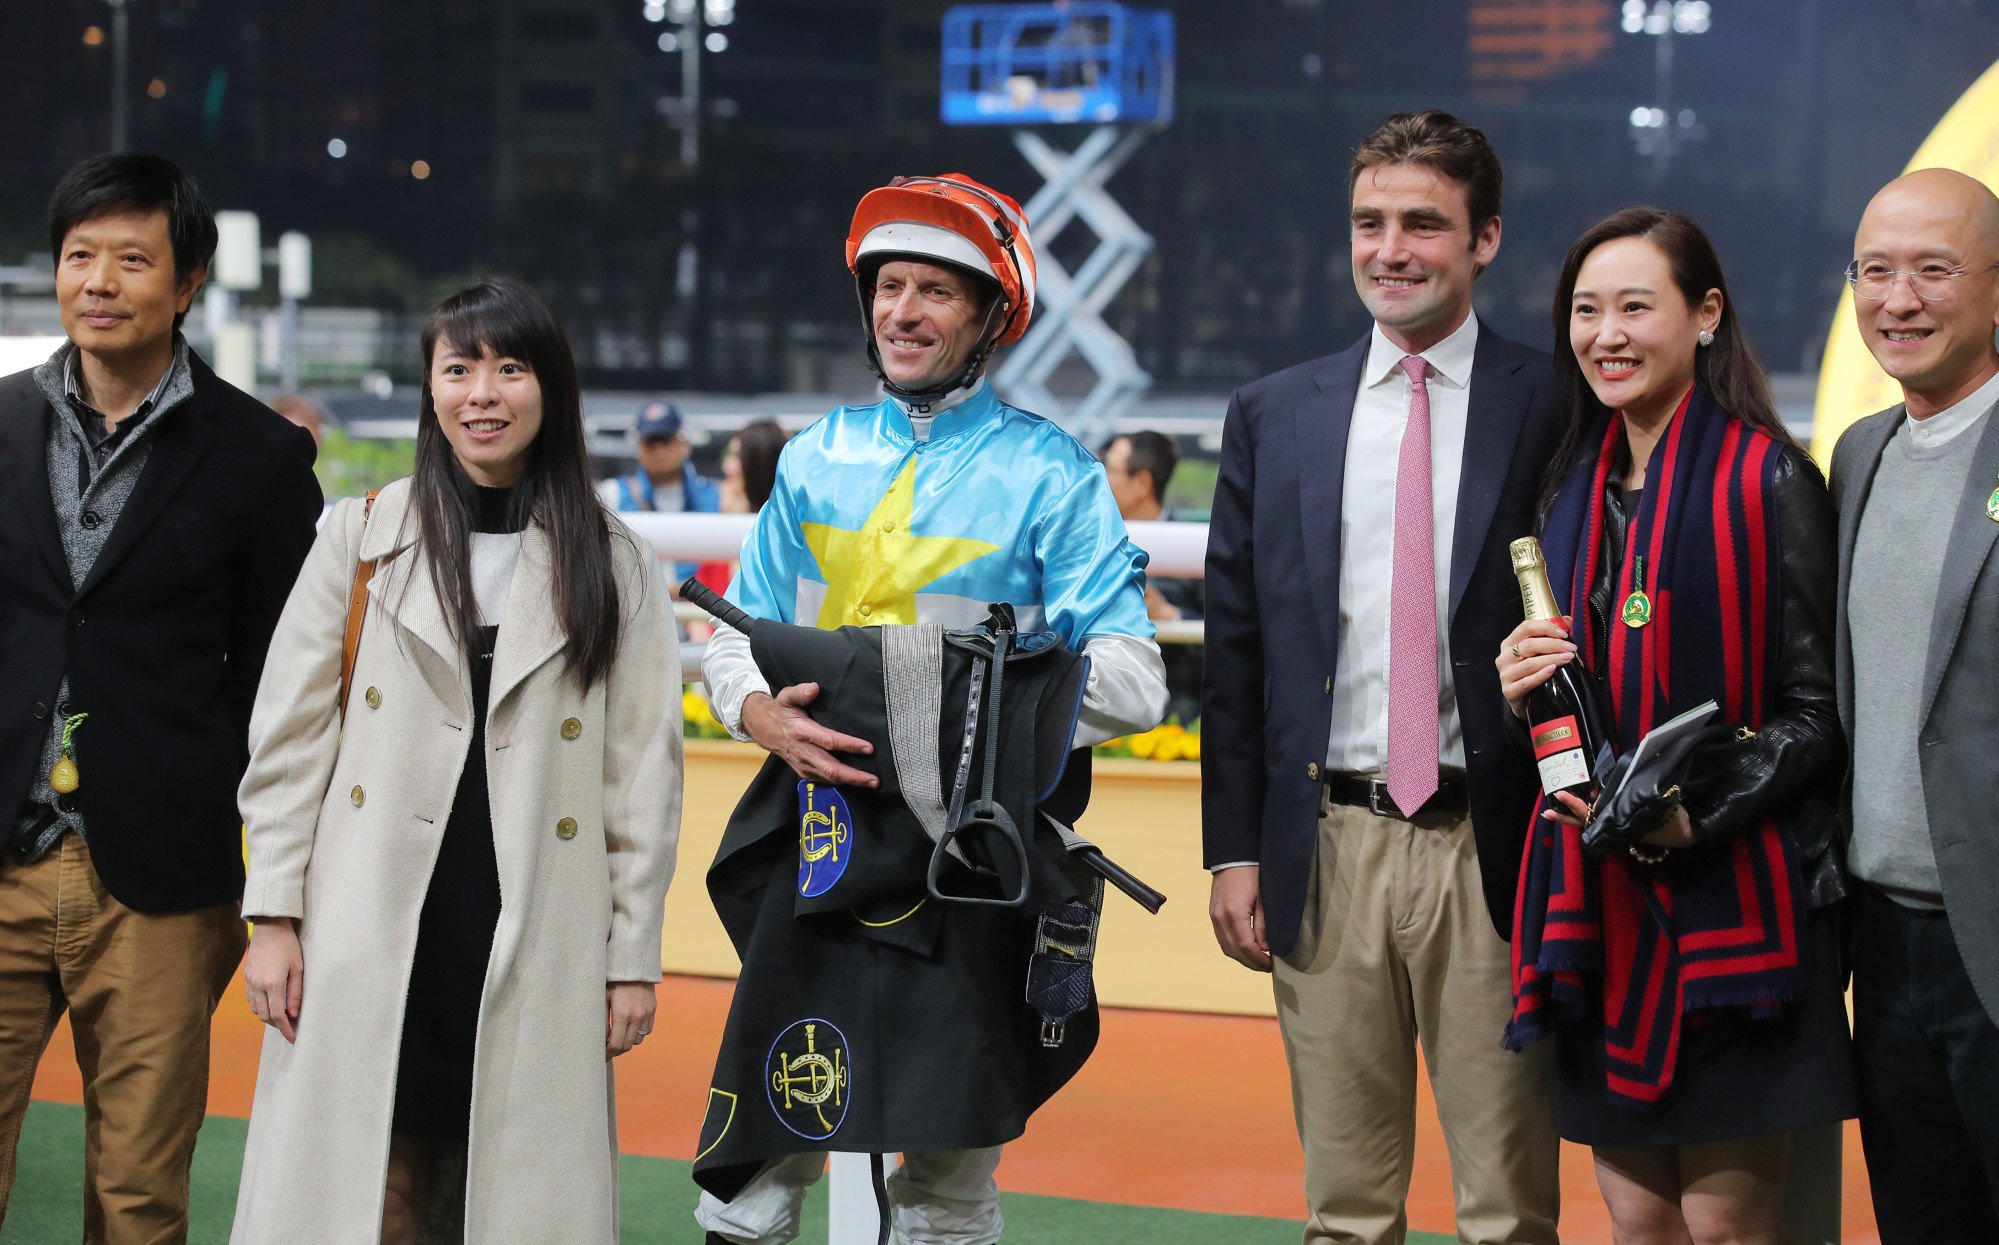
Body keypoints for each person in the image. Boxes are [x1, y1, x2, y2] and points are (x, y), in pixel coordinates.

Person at [694, 172, 1167, 1245]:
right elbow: (732, 634)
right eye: (887, 286)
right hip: (818, 850)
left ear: (993, 316)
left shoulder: (1053, 474)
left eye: (935, 292)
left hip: (973, 867)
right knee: (758, 1181)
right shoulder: (813, 461)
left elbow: (1135, 677)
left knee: (947, 1187)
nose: (902, 312)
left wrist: (957, 719)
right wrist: (758, 714)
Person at [229, 278, 683, 1244]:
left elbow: (640, 779)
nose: (483, 391)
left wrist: (631, 958)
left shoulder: (615, 561)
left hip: (532, 923)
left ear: (549, 389)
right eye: (459, 367)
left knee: (505, 1201)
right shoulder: (360, 537)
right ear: (430, 387)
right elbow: (288, 739)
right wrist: (272, 913)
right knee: (371, 1190)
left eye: (510, 368)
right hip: (374, 920)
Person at [1202, 110, 1563, 1245]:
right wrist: (1234, 847)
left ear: (1484, 238)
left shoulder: (1555, 403)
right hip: (1327, 844)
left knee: (1506, 1211)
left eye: (1422, 223)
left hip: (1496, 847)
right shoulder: (1271, 414)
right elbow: (1236, 649)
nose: (1390, 249)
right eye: (1369, 223)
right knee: (1345, 1212)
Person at [1499, 207, 1854, 1244]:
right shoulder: (1568, 490)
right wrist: (1519, 681)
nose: (1605, 333)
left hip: (1735, 902)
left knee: (1728, 1231)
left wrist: (1697, 818)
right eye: (1585, 309)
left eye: (1634, 307)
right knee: (1639, 1227)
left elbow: (1818, 712)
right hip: (1599, 907)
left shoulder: (1773, 481)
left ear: (1704, 316)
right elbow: (1566, 708)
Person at [0, 152, 321, 1243]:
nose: (98, 280)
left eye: (132, 259)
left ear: (186, 285)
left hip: (159, 883)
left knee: (137, 1195)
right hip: (2, 849)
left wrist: (221, 810)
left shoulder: (262, 458)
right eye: (79, 256)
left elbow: (284, 678)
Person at [1830, 168, 1999, 1243]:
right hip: (1878, 950)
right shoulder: (1857, 454)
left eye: (1932, 270)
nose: (1898, 300)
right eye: (1874, 270)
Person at [1104, 430, 1203, 724]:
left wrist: (1168, 615)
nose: (1100, 480)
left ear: (1142, 483)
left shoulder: (1196, 550)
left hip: (1178, 722)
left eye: (1109, 468)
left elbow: (1229, 640)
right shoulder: (1093, 544)